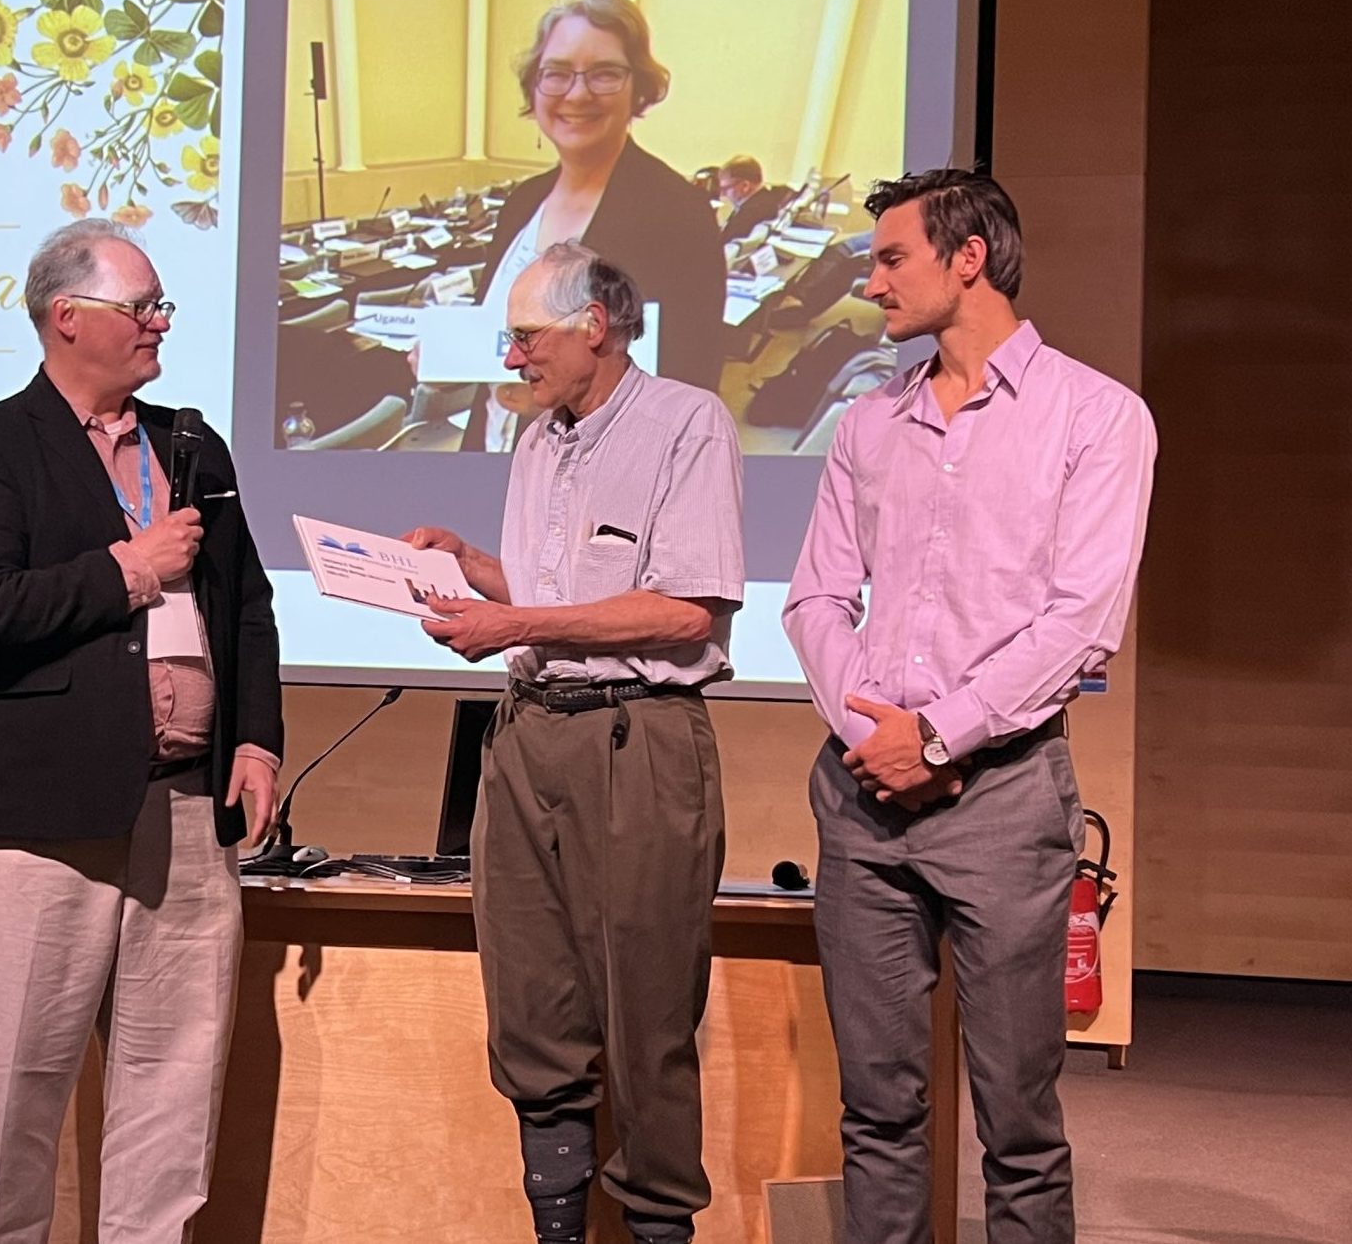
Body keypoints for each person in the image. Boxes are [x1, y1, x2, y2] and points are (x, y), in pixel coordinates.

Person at [783, 168, 1155, 1244]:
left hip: (1003, 794)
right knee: (877, 1108)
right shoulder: (868, 423)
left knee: (1018, 1121)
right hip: (864, 794)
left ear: (970, 257)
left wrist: (939, 736)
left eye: (892, 257)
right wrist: (875, 735)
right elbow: (815, 596)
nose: (873, 282)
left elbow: (1082, 622)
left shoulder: (1097, 416)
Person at [0, 218, 283, 1244]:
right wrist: (132, 568)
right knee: (13, 1093)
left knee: (174, 1087)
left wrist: (255, 740)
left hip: (184, 809)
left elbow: (246, 607)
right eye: (142, 307)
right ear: (67, 317)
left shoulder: (190, 443)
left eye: (162, 304)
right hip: (37, 818)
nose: (160, 322)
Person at [403, 240, 744, 1244]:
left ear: (594, 325)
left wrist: (512, 623)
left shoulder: (687, 423)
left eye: (525, 337)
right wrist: (474, 566)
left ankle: (657, 1224)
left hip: (637, 739)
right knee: (531, 1004)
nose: (512, 358)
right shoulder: (536, 442)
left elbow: (687, 610)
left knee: (646, 1012)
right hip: (527, 735)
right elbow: (558, 594)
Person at [463, 0, 726, 449]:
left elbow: (689, 391)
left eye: (604, 73)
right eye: (557, 73)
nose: (577, 93)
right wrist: (445, 360)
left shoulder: (680, 215)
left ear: (637, 87)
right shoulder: (522, 202)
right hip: (493, 451)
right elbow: (494, 335)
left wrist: (558, 404)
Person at [716, 154, 796, 243]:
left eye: (725, 188)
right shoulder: (769, 198)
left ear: (745, 186)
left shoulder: (749, 215)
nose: (722, 194)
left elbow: (725, 245)